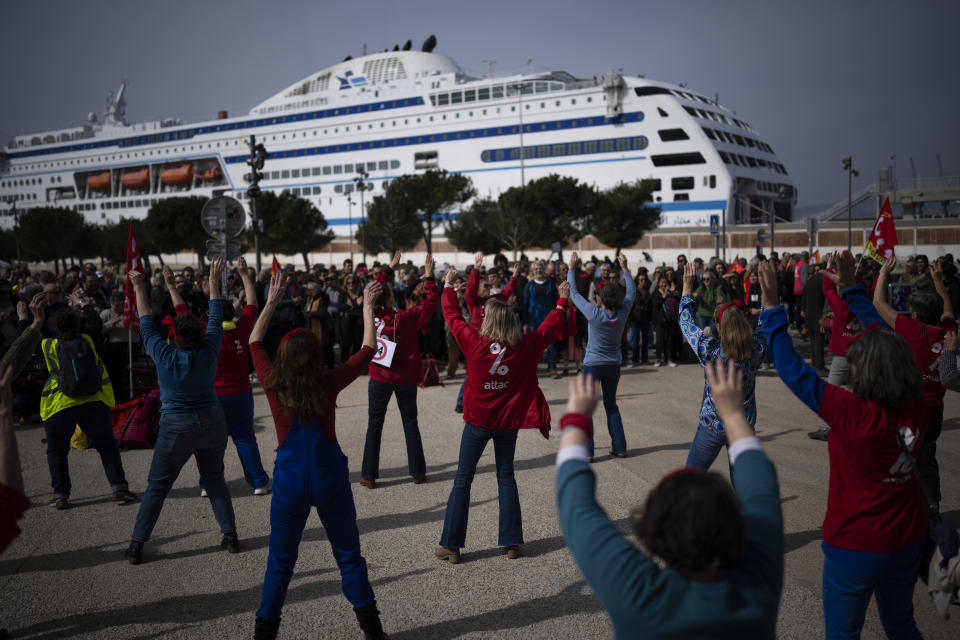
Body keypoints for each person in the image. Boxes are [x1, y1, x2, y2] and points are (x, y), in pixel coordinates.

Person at [758, 255, 929, 638]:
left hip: (855, 546)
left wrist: (771, 308)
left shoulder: (855, 414)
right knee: (902, 624)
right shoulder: (917, 405)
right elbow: (885, 341)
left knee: (843, 633)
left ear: (863, 370)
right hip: (906, 540)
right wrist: (852, 288)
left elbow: (793, 371)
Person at [556, 366, 783, 638]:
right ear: (734, 524)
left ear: (654, 529)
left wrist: (577, 417)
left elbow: (575, 503)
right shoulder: (757, 583)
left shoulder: (639, 597)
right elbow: (760, 489)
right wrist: (734, 415)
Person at [250, 272, 387, 640]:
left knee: (280, 564)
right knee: (348, 557)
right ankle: (373, 632)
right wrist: (368, 307)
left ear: (283, 358)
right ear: (314, 356)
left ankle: (264, 633)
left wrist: (272, 301)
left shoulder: (272, 383)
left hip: (290, 481)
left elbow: (254, 341)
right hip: (329, 478)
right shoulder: (329, 382)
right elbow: (368, 349)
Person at [436, 267, 573, 563]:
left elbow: (452, 317)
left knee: (463, 479)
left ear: (489, 320)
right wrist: (561, 302)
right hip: (507, 423)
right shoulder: (524, 346)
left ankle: (452, 544)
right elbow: (548, 328)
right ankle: (511, 541)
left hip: (477, 421)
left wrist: (447, 287)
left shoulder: (474, 342)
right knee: (506, 476)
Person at [123, 259, 239, 565]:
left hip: (176, 427)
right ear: (200, 334)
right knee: (214, 478)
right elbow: (215, 314)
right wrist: (214, 281)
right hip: (212, 421)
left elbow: (145, 318)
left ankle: (137, 543)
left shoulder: (163, 353)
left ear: (174, 336)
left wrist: (138, 286)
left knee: (158, 487)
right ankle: (230, 535)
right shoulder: (211, 347)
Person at [859, 255, 955, 517]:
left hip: (910, 406)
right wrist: (939, 283)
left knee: (899, 458)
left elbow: (878, 302)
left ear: (914, 313)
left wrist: (883, 273)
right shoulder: (948, 333)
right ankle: (932, 504)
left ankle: (903, 506)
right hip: (935, 409)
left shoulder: (912, 330)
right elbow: (947, 310)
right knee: (927, 458)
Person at [40, 304, 136, 510]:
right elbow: (94, 323)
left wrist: (30, 318)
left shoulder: (48, 346)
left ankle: (61, 495)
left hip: (60, 405)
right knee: (107, 446)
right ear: (77, 325)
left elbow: (28, 336)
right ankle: (118, 488)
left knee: (57, 451)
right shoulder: (88, 340)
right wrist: (83, 305)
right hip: (93, 401)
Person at [359, 254, 437, 489]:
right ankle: (418, 472)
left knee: (374, 424)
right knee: (410, 422)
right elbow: (431, 302)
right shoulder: (404, 317)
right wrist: (430, 277)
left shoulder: (370, 314)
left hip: (379, 376)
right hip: (404, 378)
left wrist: (389, 268)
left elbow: (375, 288)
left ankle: (368, 475)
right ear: (391, 297)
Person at [679, 263, 765, 470]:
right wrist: (768, 293)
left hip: (713, 423)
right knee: (745, 485)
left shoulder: (711, 350)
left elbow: (685, 322)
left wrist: (687, 287)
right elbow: (766, 322)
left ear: (719, 326)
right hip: (743, 425)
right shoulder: (756, 349)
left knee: (691, 478)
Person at [566, 252, 635, 459]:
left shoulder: (594, 314)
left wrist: (571, 268)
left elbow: (575, 294)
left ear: (600, 298)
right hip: (613, 364)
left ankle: (588, 452)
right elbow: (631, 293)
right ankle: (620, 446)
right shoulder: (622, 313)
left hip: (593, 364)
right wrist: (625, 269)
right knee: (611, 405)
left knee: (587, 407)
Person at [213, 258, 271, 495]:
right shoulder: (243, 327)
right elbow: (253, 304)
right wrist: (245, 276)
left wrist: (213, 280)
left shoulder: (208, 334)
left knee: (213, 444)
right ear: (233, 313)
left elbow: (181, 310)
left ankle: (209, 483)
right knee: (246, 440)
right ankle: (258, 482)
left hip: (214, 396)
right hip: (240, 394)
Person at [808, 253, 862, 441]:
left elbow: (828, 287)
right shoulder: (864, 305)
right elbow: (863, 287)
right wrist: (851, 271)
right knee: (862, 392)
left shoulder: (839, 307)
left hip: (841, 356)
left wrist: (830, 268)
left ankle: (826, 428)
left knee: (831, 393)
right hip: (862, 354)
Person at [456, 254, 520, 412]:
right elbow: (470, 288)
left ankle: (490, 398)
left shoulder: (494, 300)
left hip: (492, 341)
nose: (488, 288)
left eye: (488, 286)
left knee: (489, 372)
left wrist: (514, 276)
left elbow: (506, 292)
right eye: (484, 286)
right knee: (472, 371)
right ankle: (460, 402)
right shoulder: (473, 301)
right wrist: (476, 270)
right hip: (477, 341)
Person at [522, 260, 560, 377]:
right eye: (536, 268)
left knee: (551, 346)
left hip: (548, 319)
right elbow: (525, 304)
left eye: (540, 268)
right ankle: (533, 368)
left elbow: (555, 302)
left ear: (544, 269)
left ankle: (552, 368)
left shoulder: (550, 284)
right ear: (532, 271)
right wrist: (525, 323)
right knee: (534, 346)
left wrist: (557, 319)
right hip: (533, 319)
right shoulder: (529, 285)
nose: (538, 270)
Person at [652, 275, 680, 367]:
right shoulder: (656, 293)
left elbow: (677, 302)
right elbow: (656, 304)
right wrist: (663, 296)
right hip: (659, 321)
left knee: (669, 341)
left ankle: (669, 359)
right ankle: (658, 359)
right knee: (659, 341)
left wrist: (673, 293)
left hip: (670, 320)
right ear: (659, 284)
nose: (664, 284)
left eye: (665, 282)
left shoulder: (671, 293)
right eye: (662, 282)